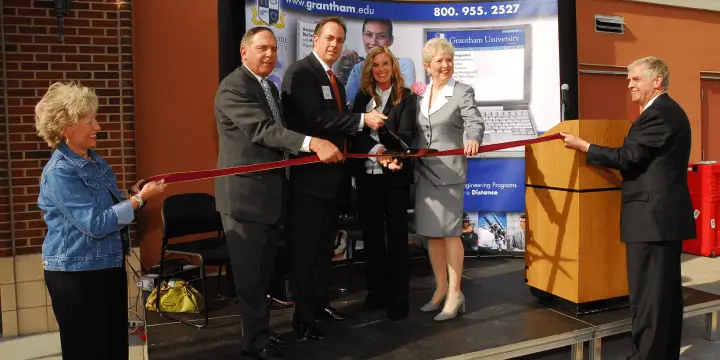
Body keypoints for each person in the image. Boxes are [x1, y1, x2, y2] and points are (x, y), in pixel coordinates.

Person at [214, 26, 343, 359]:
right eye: (261, 48)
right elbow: (262, 130)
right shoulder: (233, 87)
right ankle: (253, 344)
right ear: (244, 52)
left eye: (273, 49)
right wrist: (312, 143)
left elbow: (281, 131)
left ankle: (262, 334)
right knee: (250, 280)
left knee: (263, 274)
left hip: (270, 198)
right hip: (245, 201)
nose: (269, 54)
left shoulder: (269, 86)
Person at [560, 56, 696, 360]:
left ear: (657, 80)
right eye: (628, 80)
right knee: (664, 298)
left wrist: (586, 147)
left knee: (649, 300)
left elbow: (629, 156)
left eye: (635, 79)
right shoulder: (663, 112)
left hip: (652, 220)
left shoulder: (659, 114)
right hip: (659, 220)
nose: (629, 85)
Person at [35, 81, 167, 360]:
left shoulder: (97, 162)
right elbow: (95, 224)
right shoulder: (59, 172)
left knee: (112, 348)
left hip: (106, 268)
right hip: (76, 277)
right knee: (87, 350)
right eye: (89, 121)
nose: (98, 127)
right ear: (66, 128)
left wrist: (131, 195)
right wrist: (138, 200)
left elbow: (107, 209)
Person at [280, 16, 390, 340]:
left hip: (333, 184)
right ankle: (302, 320)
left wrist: (376, 151)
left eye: (340, 40)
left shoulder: (338, 82)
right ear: (315, 39)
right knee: (305, 253)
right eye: (329, 38)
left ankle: (319, 305)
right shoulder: (300, 73)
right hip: (308, 184)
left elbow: (342, 130)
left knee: (325, 250)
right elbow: (316, 118)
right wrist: (360, 120)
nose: (334, 45)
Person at [414, 37, 484, 322]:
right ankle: (441, 288)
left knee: (450, 233)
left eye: (449, 60)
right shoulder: (420, 95)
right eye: (439, 61)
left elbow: (474, 120)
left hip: (450, 173)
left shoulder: (463, 91)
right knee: (432, 234)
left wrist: (473, 138)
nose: (445, 65)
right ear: (428, 66)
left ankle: (456, 292)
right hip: (424, 174)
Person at [348, 46, 417, 320]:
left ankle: (399, 299)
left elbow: (406, 134)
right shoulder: (361, 98)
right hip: (367, 179)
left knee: (397, 239)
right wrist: (376, 152)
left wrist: (380, 133)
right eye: (375, 64)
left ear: (393, 66)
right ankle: (376, 293)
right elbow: (355, 135)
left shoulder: (407, 97)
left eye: (385, 63)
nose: (381, 69)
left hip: (395, 177)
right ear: (369, 69)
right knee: (372, 238)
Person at [333, 18, 416, 106]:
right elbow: (347, 105)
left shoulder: (404, 64)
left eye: (381, 36)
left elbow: (405, 101)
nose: (373, 42)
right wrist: (337, 67)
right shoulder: (358, 68)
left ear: (391, 40)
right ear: (362, 36)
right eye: (368, 35)